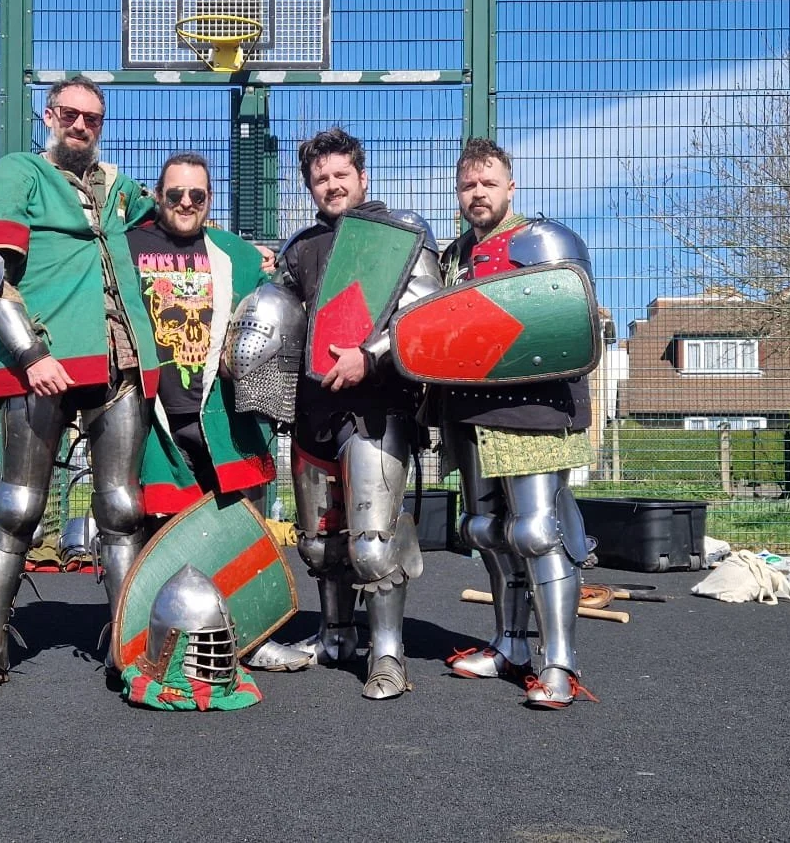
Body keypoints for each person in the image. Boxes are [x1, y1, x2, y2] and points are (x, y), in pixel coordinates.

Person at [0, 75, 162, 698]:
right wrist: (31, 353)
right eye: (70, 113)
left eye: (93, 117)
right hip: (40, 362)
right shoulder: (17, 173)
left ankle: (126, 647)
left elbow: (177, 224)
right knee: (18, 507)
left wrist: (249, 250)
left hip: (119, 359)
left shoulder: (118, 190)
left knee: (122, 509)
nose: (81, 125)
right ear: (48, 114)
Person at [266, 127, 442, 698]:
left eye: (341, 174)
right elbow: (283, 324)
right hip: (314, 410)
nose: (331, 185)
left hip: (376, 407)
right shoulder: (301, 249)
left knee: (370, 543)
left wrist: (371, 357)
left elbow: (423, 315)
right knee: (320, 543)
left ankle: (389, 654)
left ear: (362, 177)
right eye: (320, 178)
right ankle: (336, 635)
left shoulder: (401, 234)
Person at [436, 138, 598, 708]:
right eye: (467, 185)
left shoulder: (543, 241)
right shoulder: (454, 257)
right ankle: (509, 644)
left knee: (536, 531)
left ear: (511, 186)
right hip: (470, 411)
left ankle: (559, 665)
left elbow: (574, 320)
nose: (477, 193)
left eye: (488, 183)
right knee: (487, 530)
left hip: (533, 409)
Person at [129, 152, 280, 516]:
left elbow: (279, 312)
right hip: (153, 424)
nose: (186, 202)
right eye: (175, 194)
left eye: (197, 196)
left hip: (224, 422)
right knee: (161, 550)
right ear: (158, 195)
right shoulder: (125, 246)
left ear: (210, 199)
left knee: (241, 549)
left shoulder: (235, 253)